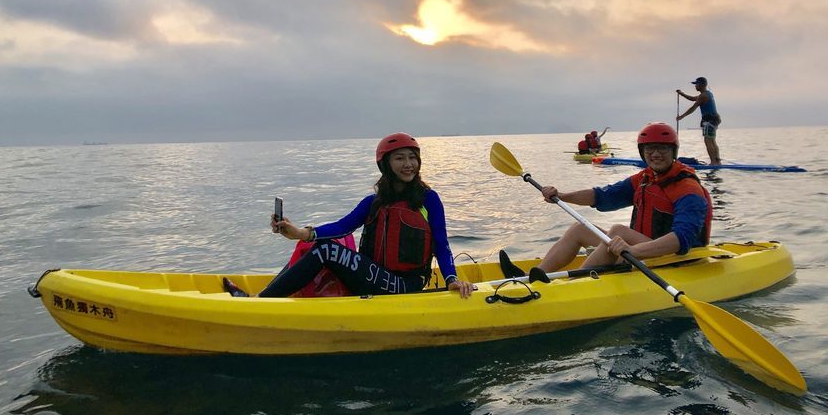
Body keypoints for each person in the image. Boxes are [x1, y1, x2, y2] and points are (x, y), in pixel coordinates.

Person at [226, 133, 475, 299]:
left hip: (404, 285)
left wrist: (452, 278)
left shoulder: (429, 199)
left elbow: (442, 245)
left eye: (413, 158)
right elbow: (343, 227)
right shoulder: (373, 202)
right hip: (374, 275)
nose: (408, 164)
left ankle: (260, 301)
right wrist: (300, 233)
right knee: (312, 245)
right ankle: (265, 295)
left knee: (325, 249)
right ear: (385, 164)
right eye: (400, 158)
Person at [498, 123, 712, 278]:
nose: (655, 154)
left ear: (673, 151)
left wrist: (633, 251)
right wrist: (562, 196)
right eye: (649, 149)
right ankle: (529, 277)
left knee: (618, 232)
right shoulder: (645, 179)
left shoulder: (688, 188)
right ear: (642, 152)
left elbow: (682, 239)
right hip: (644, 251)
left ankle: (574, 285)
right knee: (578, 228)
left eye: (662, 148)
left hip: (677, 259)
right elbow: (602, 196)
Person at [676, 76, 722, 165]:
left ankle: (713, 162)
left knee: (708, 140)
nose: (695, 86)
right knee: (712, 140)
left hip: (709, 120)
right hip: (714, 119)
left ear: (701, 85)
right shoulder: (707, 93)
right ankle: (717, 161)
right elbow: (692, 98)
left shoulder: (703, 96)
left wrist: (681, 116)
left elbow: (693, 107)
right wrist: (682, 93)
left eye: (696, 84)